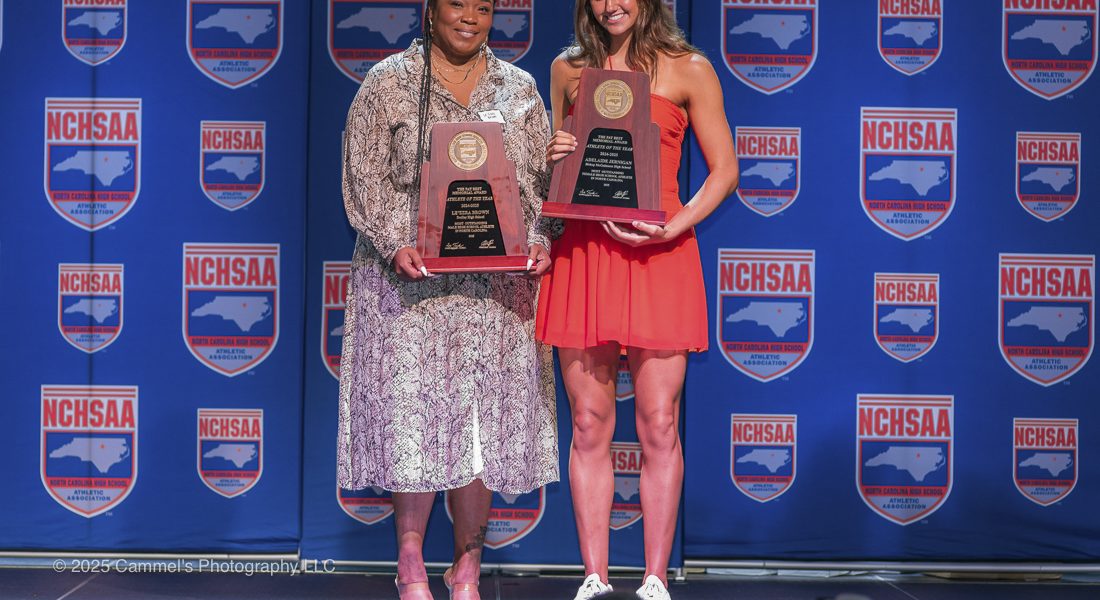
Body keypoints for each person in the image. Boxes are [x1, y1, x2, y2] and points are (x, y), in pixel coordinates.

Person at [336, 1, 559, 599]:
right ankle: (410, 564)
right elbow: (363, 177)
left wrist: (541, 238)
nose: (471, 17)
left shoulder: (519, 89)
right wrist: (394, 241)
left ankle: (467, 569)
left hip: (494, 294)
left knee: (480, 429)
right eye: (458, 3)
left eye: (483, 7)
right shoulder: (387, 83)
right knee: (411, 420)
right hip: (411, 288)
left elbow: (542, 184)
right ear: (431, 10)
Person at [536, 1, 739, 599]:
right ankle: (594, 576)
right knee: (588, 421)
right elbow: (555, 176)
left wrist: (675, 225)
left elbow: (725, 170)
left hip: (660, 252)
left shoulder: (690, 68)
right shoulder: (567, 69)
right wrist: (551, 155)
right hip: (585, 252)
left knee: (658, 422)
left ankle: (654, 578)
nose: (611, 4)